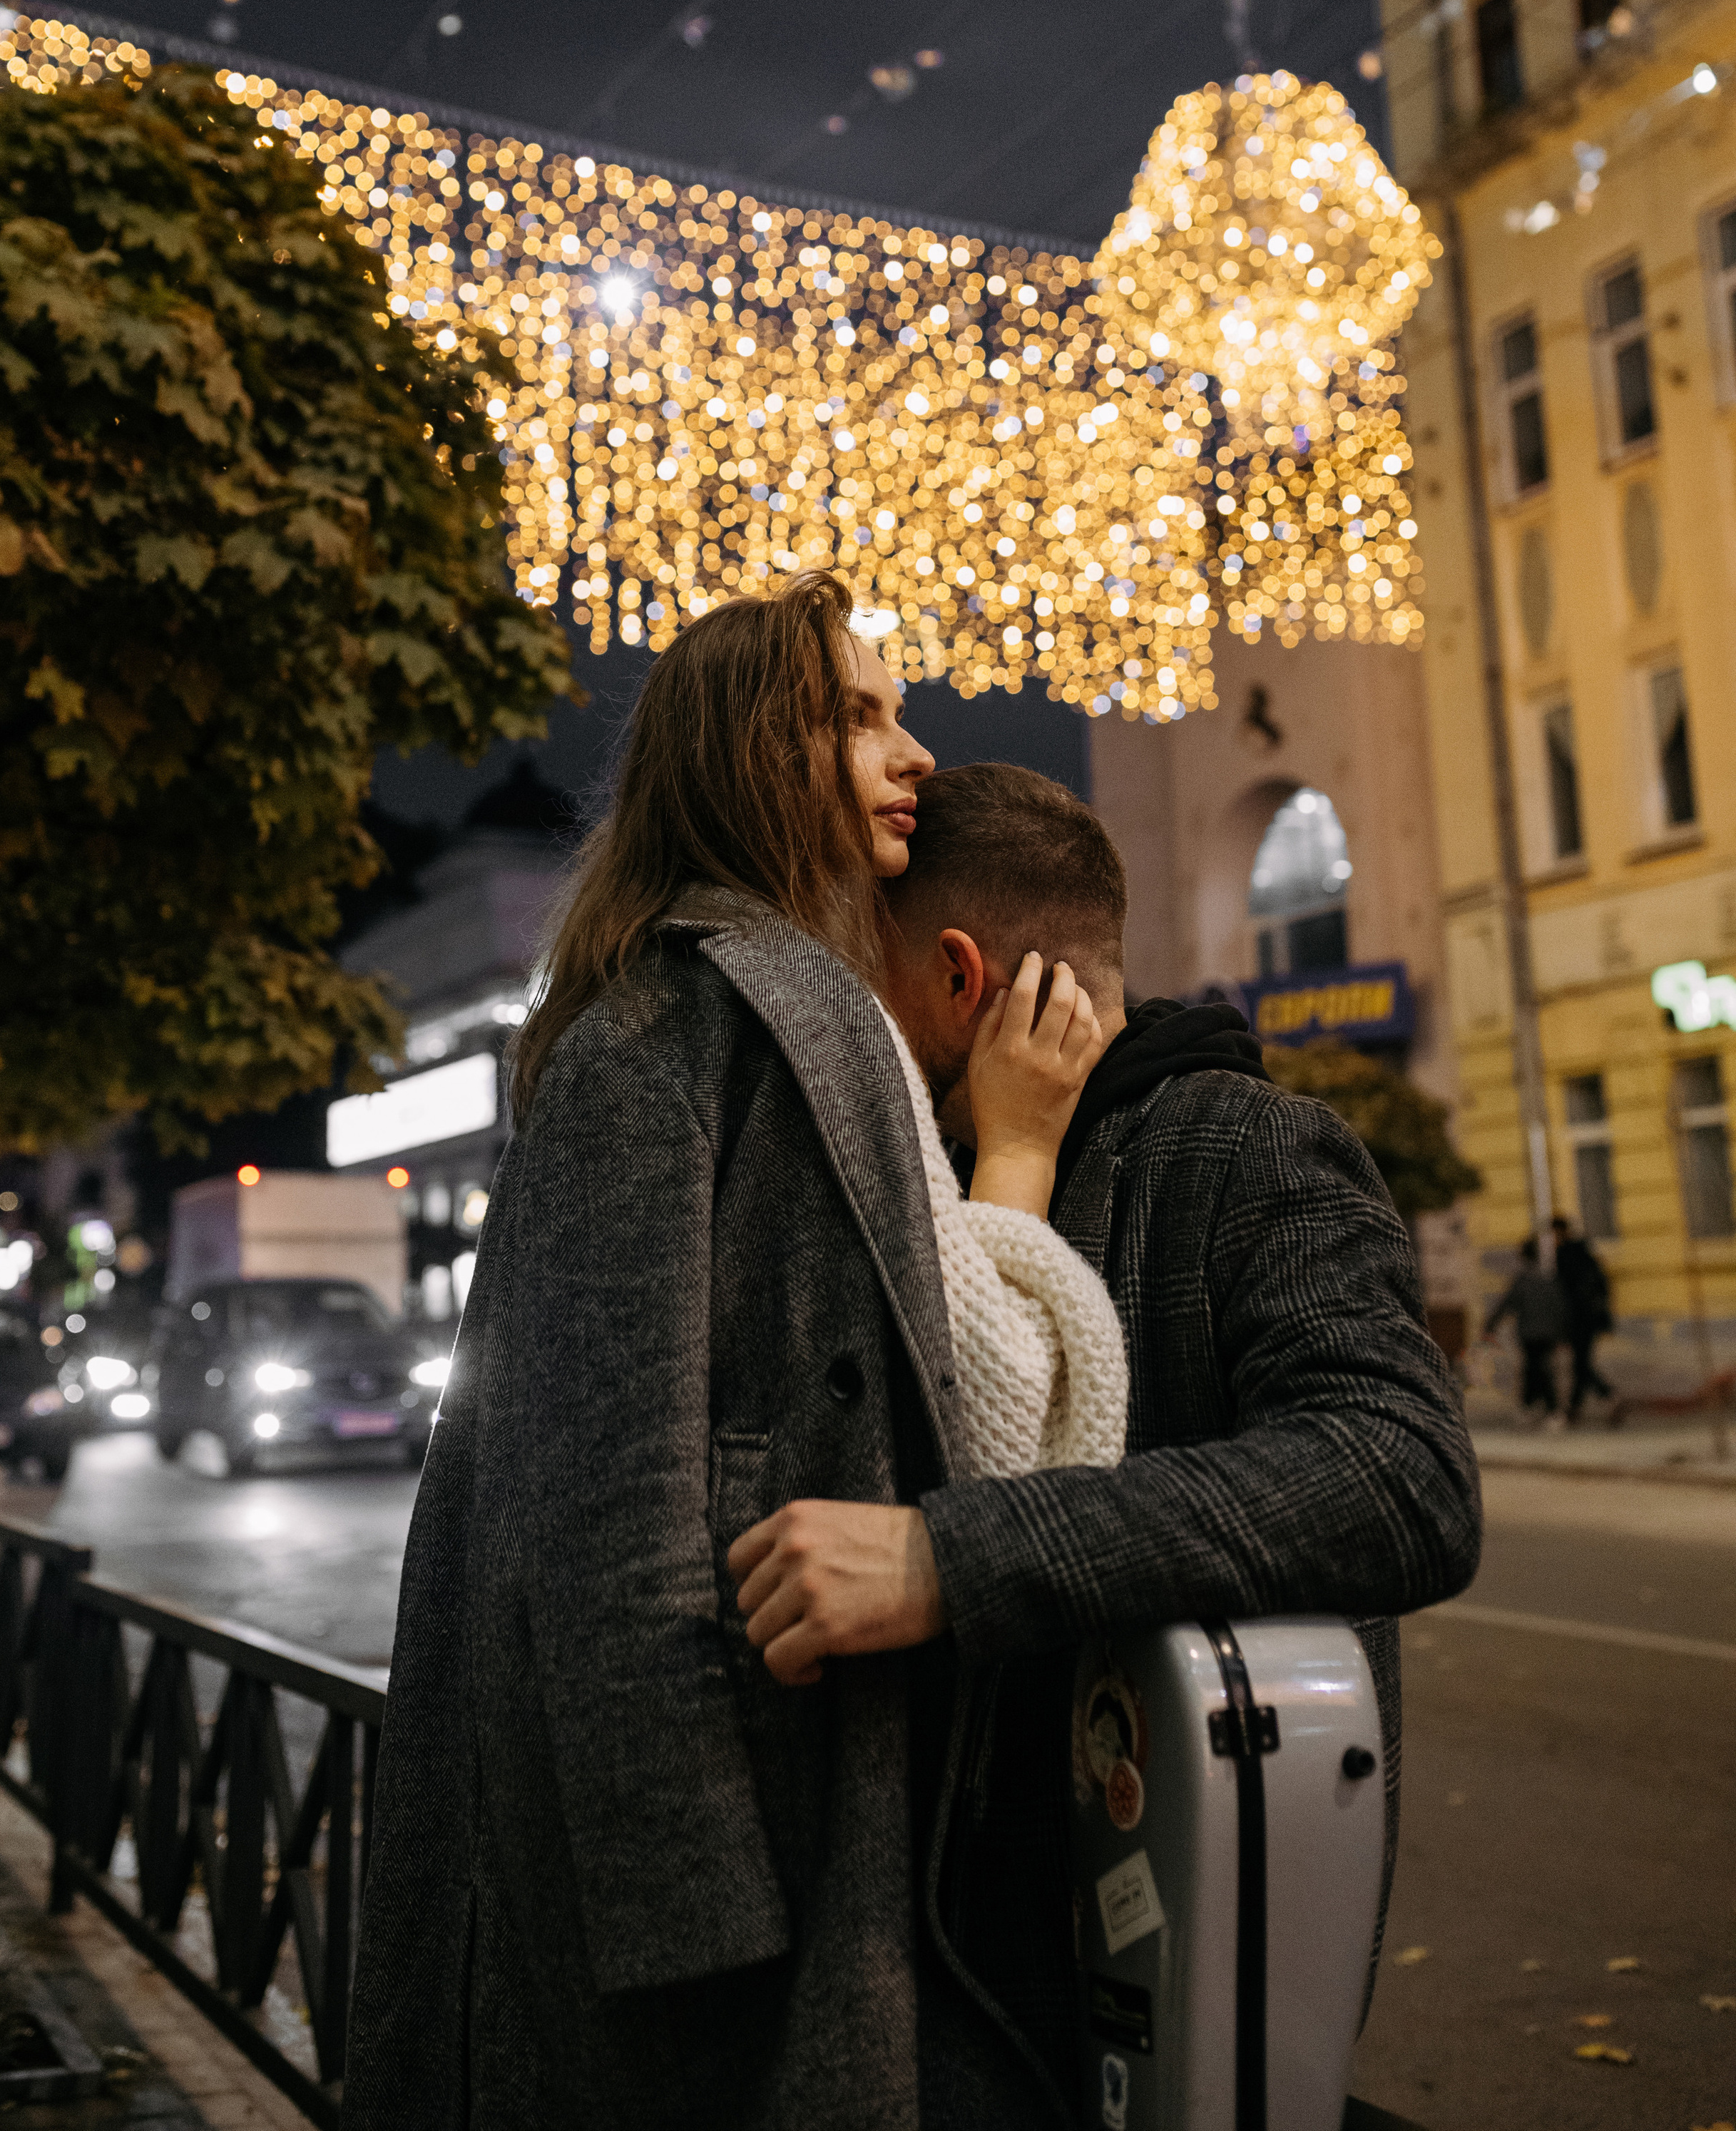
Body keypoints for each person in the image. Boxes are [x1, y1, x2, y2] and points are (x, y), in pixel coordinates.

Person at [342, 580, 1128, 2131]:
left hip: (789, 1829)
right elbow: (613, 1507)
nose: (913, 754)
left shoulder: (751, 1012)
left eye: (900, 714)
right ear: (754, 754)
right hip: (727, 1894)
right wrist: (697, 1929)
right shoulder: (686, 1028)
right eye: (858, 718)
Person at [727, 762, 1483, 2115]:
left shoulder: (1246, 1152)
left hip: (1147, 1978)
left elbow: (1402, 1475)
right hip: (962, 1972)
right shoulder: (942, 1173)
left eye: (870, 987)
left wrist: (948, 1562)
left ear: (959, 976)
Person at [1484, 1235, 1569, 1424]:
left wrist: (1490, 1325)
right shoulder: (1549, 1279)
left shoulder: (1523, 1280)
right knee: (1539, 1369)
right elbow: (1560, 1307)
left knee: (1535, 1370)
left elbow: (1506, 1304)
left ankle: (1543, 1408)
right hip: (1548, 1333)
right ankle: (1540, 1408)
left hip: (1529, 1333)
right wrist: (1562, 1333)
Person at [1551, 1213, 1615, 1424]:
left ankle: (1608, 1397)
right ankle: (1575, 1409)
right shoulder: (1585, 1252)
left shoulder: (1565, 1255)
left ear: (1558, 1232)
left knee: (1581, 1365)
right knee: (1581, 1363)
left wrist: (1561, 1323)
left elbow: (1564, 1294)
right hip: (1591, 1317)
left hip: (1578, 1319)